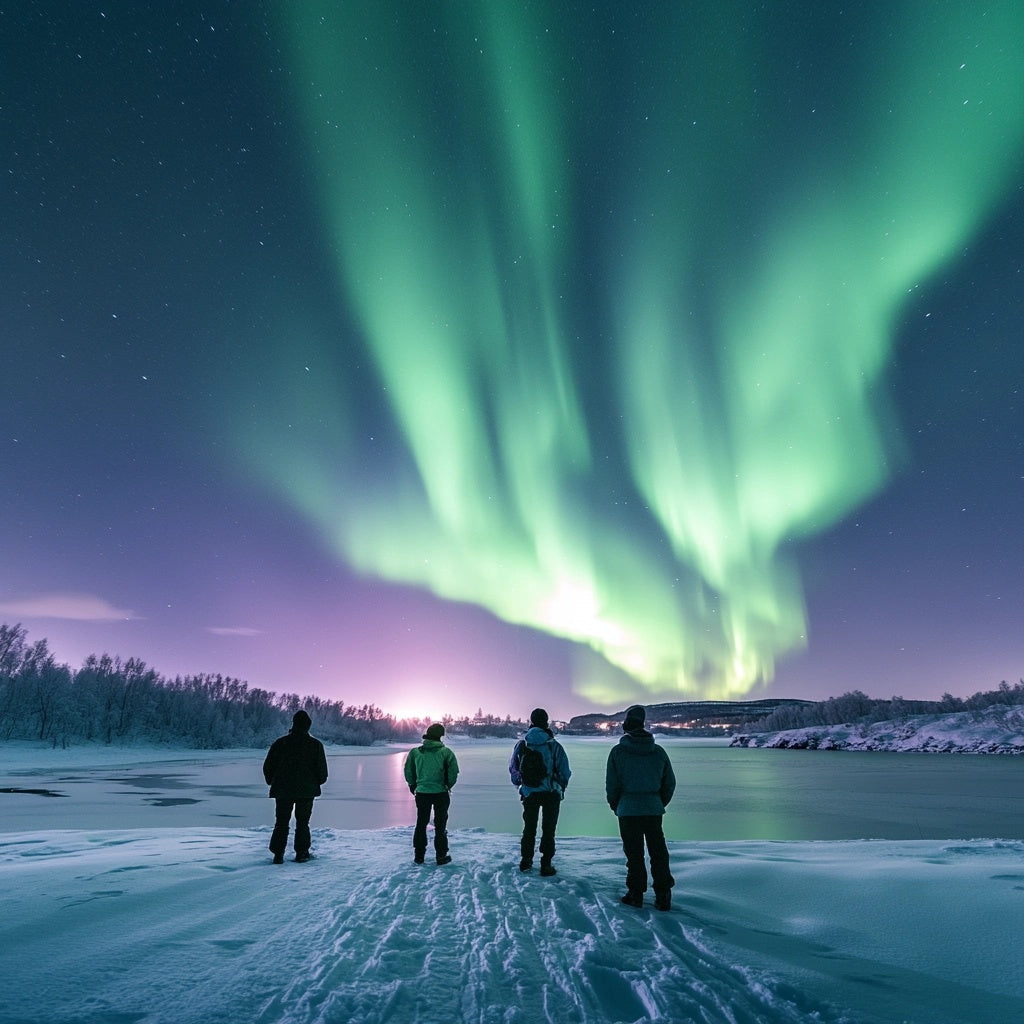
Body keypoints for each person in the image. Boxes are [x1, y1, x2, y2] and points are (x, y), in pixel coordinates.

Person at [605, 704, 676, 909]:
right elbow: (669, 783)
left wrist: (616, 805)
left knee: (633, 853)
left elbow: (612, 785)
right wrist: (658, 802)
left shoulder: (618, 752)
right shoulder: (659, 752)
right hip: (653, 809)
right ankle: (663, 895)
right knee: (658, 852)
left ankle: (635, 893)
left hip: (627, 810)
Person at [509, 708, 571, 876]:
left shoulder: (522, 744)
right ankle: (546, 864)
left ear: (531, 722)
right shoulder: (554, 746)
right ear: (546, 722)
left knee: (529, 828)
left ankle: (526, 861)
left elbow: (513, 768)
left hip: (530, 793)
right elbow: (565, 771)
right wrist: (560, 788)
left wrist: (521, 785)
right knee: (549, 829)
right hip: (551, 793)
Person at [262, 709, 329, 864]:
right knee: (302, 823)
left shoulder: (281, 743)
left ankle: (278, 854)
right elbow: (322, 772)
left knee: (281, 822)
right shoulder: (315, 745)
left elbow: (268, 766)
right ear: (308, 726)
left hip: (283, 790)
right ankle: (302, 853)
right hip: (306, 791)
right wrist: (315, 783)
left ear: (294, 724)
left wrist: (272, 781)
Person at [404, 723, 459, 865]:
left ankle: (419, 856)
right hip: (441, 793)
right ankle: (441, 856)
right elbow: (453, 773)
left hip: (422, 792)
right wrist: (447, 785)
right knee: (440, 825)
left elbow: (408, 770)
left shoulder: (415, 752)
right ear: (440, 736)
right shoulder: (446, 752)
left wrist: (412, 785)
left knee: (421, 823)